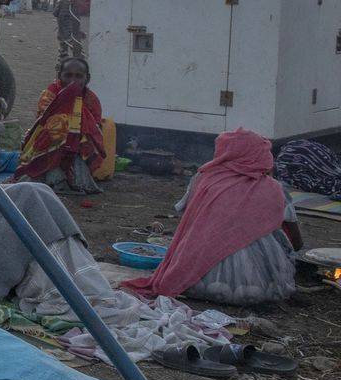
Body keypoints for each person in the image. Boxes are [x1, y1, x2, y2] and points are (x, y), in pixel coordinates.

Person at [127, 130, 303, 305]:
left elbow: (189, 218)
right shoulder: (274, 189)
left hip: (195, 285)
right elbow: (296, 240)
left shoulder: (204, 179)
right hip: (263, 290)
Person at [15, 57, 112, 195]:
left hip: (76, 151)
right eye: (68, 75)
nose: (73, 81)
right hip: (48, 147)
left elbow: (94, 133)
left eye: (78, 76)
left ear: (87, 78)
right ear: (59, 76)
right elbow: (46, 125)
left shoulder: (91, 100)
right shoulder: (50, 94)